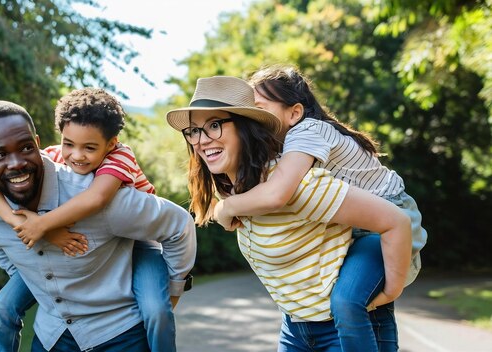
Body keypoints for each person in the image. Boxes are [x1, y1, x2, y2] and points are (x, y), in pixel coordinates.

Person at [165, 76, 411, 351]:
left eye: (214, 125)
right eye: (194, 131)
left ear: (246, 128)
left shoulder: (300, 187)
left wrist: (393, 289)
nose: (201, 140)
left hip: (345, 330)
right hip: (294, 330)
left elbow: (396, 221)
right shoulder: (237, 192)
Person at [0, 100, 196, 352]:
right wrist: (32, 258)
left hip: (139, 251)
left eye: (25, 148)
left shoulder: (102, 185)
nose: (16, 162)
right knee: (3, 307)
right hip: (52, 333)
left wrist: (174, 288)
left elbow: (99, 200)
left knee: (156, 309)